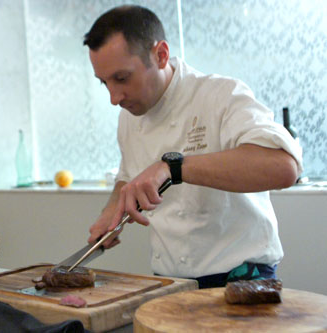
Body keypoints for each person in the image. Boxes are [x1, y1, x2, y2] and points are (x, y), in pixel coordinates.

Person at [83, 5, 303, 289]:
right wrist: (111, 211)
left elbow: (283, 167)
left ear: (160, 55)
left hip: (241, 281)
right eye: (105, 83)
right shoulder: (129, 116)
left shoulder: (220, 95)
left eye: (122, 78)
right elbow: (128, 175)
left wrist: (173, 168)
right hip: (168, 284)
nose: (114, 97)